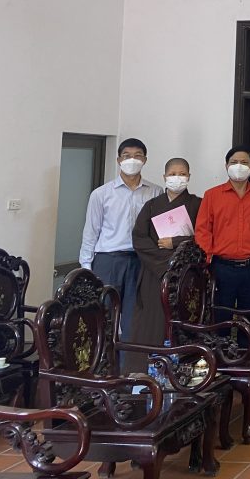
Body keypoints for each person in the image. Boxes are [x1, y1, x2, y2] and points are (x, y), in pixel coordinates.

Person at [80, 138, 161, 344]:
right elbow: (91, 232)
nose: (132, 160)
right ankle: (101, 360)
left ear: (145, 160)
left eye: (137, 156)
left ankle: (127, 360)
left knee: (134, 316)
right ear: (118, 160)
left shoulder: (155, 192)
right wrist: (86, 267)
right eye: (127, 156)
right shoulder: (101, 194)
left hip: (140, 260)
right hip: (108, 260)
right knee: (103, 313)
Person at [128, 157, 200, 372]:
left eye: (182, 174)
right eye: (172, 174)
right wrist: (166, 262)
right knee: (151, 321)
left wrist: (175, 243)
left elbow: (204, 238)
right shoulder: (151, 205)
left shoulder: (199, 204)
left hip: (187, 275)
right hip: (154, 273)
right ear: (164, 177)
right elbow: (139, 238)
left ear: (189, 177)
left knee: (184, 320)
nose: (177, 178)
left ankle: (184, 373)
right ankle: (144, 374)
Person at [195, 146, 250, 325]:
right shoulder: (212, 195)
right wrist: (207, 263)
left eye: (244, 162)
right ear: (226, 166)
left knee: (248, 318)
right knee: (221, 318)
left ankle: (244, 344)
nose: (239, 166)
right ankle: (221, 344)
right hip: (222, 267)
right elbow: (203, 231)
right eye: (234, 162)